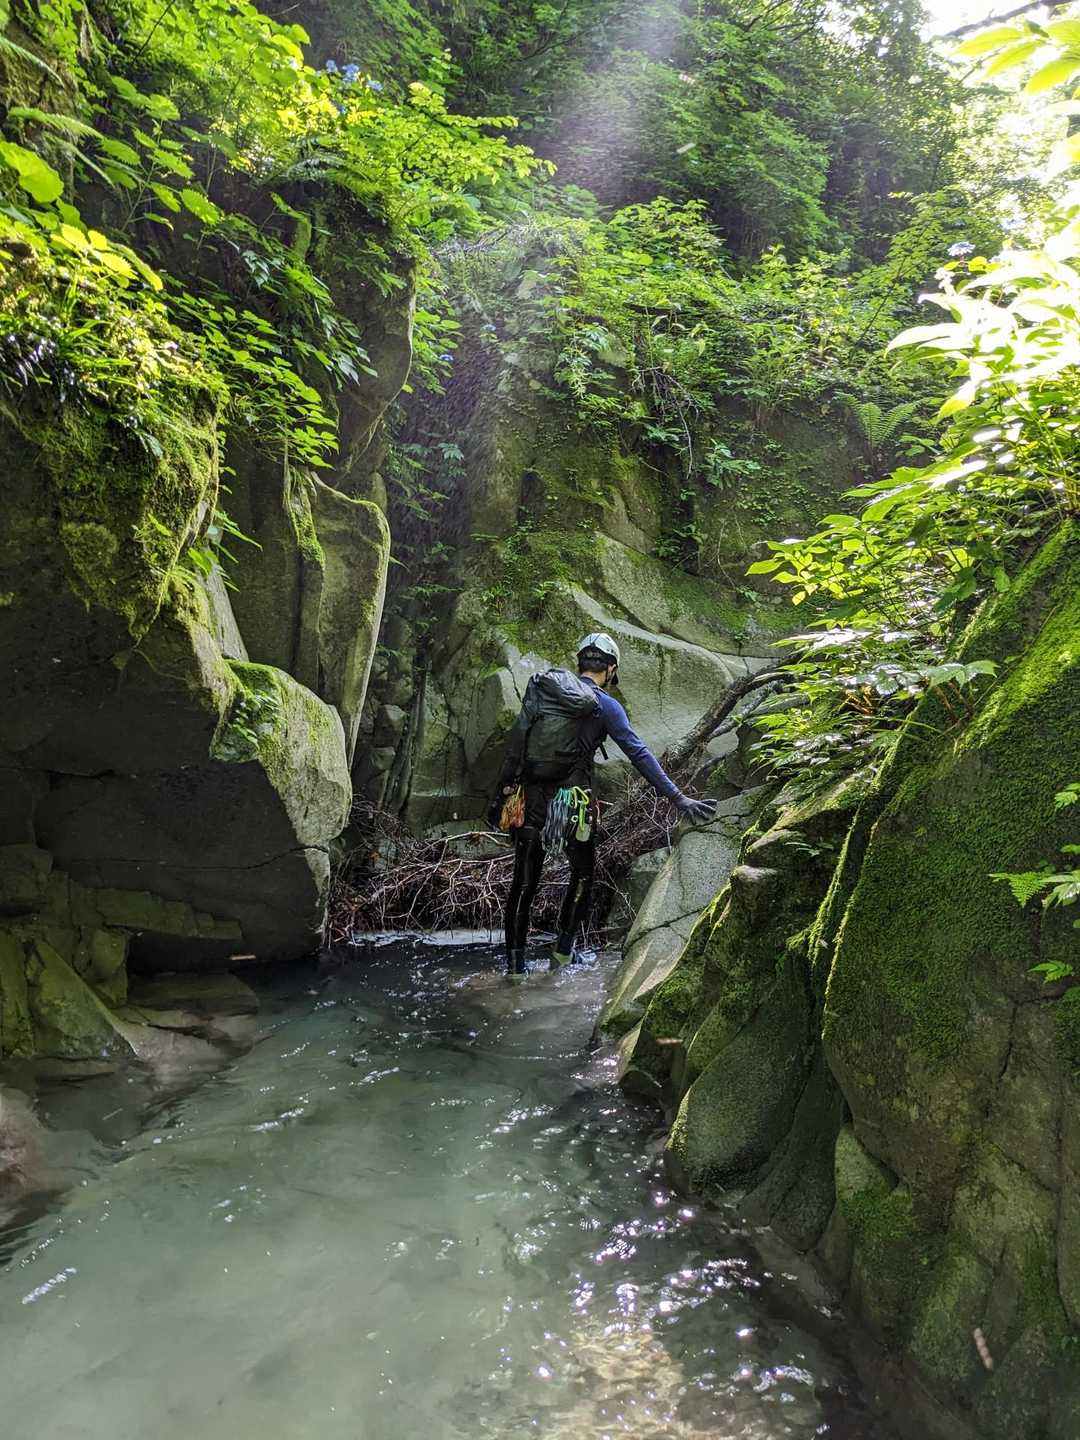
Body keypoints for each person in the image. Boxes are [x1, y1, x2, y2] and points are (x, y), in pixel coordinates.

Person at [487, 632, 715, 982]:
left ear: (580, 662)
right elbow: (638, 753)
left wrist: (501, 795)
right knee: (582, 875)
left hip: (530, 800)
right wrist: (678, 798)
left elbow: (516, 745)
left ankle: (515, 969)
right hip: (573, 805)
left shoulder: (545, 691)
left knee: (523, 883)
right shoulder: (605, 705)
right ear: (610, 669)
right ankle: (562, 953)